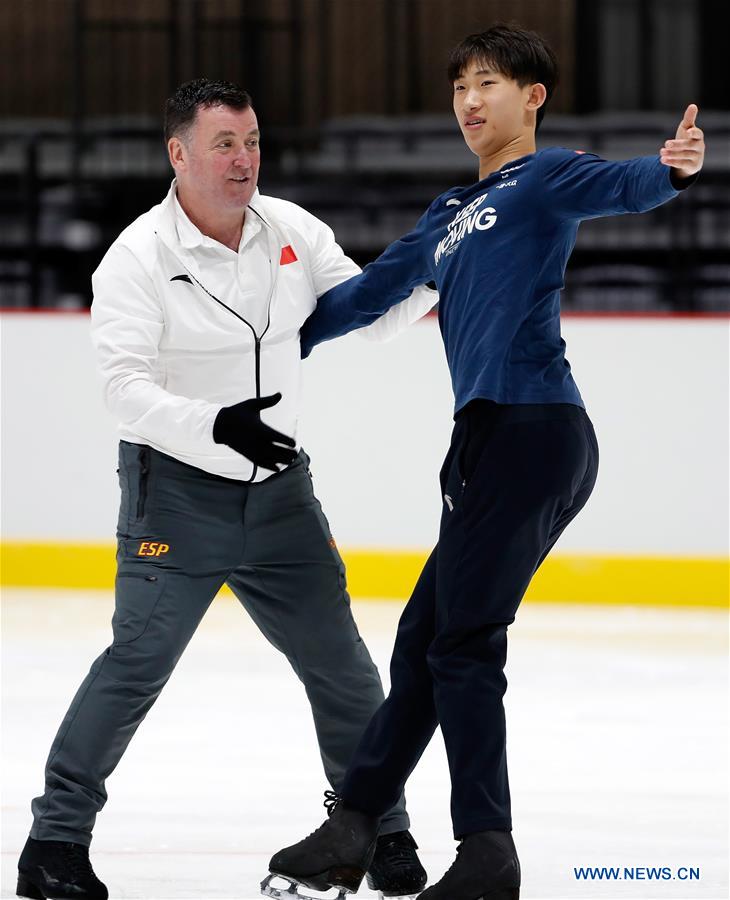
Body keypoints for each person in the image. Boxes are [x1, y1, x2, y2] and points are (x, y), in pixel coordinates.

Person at [266, 23, 705, 900]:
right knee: (425, 638)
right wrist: (265, 343)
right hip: (489, 443)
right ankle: (355, 821)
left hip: (531, 428)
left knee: (462, 645)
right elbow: (362, 297)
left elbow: (627, 183)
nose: (471, 101)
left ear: (532, 97)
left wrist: (675, 166)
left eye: (491, 83)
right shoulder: (445, 217)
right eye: (461, 85)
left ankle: (486, 854)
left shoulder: (546, 177)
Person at [16, 79, 436, 900]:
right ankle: (53, 843)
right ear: (179, 153)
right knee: (136, 663)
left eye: (251, 142)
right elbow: (122, 389)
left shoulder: (294, 231)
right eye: (224, 144)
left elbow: (367, 312)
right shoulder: (139, 257)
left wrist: (436, 264)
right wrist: (213, 425)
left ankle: (380, 831)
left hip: (281, 496)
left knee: (343, 669)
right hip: (175, 493)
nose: (244, 160)